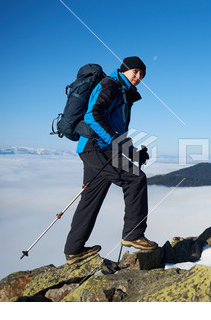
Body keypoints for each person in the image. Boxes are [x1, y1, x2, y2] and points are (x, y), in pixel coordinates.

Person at [64, 56, 158, 265]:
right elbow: (92, 116)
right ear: (124, 70)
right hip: (96, 147)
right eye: (135, 72)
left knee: (91, 199)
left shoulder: (123, 92)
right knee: (136, 179)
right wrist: (115, 142)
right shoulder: (111, 85)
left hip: (94, 148)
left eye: (142, 74)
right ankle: (133, 234)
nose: (138, 77)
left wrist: (133, 153)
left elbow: (117, 131)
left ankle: (74, 250)